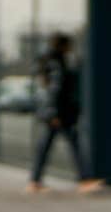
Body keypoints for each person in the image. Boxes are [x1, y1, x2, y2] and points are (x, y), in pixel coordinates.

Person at [27, 32, 104, 193]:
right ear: (64, 46)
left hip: (57, 113)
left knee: (47, 147)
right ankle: (85, 179)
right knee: (74, 145)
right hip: (61, 113)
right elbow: (55, 90)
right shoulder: (57, 64)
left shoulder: (49, 62)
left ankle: (35, 181)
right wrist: (54, 113)